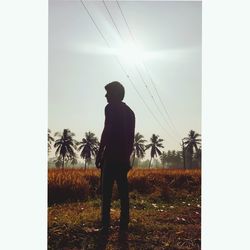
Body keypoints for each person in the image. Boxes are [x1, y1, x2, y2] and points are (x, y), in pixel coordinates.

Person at [95, 81, 135, 233]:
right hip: (123, 158)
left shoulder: (110, 108)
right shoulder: (130, 112)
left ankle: (105, 226)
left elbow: (107, 131)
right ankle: (124, 225)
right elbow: (131, 138)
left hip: (111, 157)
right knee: (124, 193)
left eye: (108, 93)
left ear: (115, 94)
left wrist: (100, 153)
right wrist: (126, 157)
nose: (106, 96)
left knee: (106, 193)